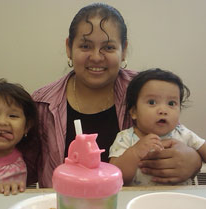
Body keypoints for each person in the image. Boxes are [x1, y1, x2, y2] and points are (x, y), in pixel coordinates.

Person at [25, 3, 202, 188]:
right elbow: (21, 167)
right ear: (69, 47)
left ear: (123, 49)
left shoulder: (145, 90)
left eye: (108, 47)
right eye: (85, 46)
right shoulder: (41, 103)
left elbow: (178, 135)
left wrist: (195, 160)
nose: (96, 57)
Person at [109, 68, 206, 185]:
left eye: (171, 103)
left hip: (179, 199)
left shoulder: (183, 133)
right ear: (134, 111)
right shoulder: (125, 138)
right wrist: (134, 153)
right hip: (140, 200)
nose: (163, 110)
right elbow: (114, 177)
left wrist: (196, 159)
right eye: (152, 102)